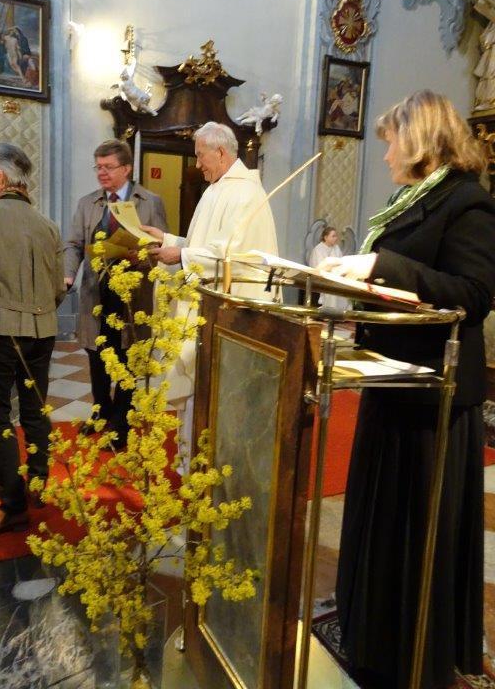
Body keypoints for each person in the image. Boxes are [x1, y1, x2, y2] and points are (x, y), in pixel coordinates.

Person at [319, 90, 495, 689]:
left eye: (392, 140)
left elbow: (473, 295)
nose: (387, 153)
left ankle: (415, 651)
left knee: (418, 532)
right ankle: (377, 638)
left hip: (432, 398)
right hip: (391, 379)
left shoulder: (468, 202)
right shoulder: (408, 201)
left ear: (419, 139)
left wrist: (379, 268)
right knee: (382, 524)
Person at [143, 121, 279, 467]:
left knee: (211, 398)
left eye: (200, 155)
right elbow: (206, 246)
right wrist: (168, 240)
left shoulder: (245, 193)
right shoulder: (217, 188)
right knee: (196, 397)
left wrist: (181, 255)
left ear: (220, 152)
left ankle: (206, 472)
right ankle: (192, 468)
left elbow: (234, 257)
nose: (197, 163)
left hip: (227, 320)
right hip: (206, 312)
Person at [0, 143, 66, 536]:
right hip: (44, 331)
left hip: (0, 330)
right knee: (35, 411)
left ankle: (13, 508)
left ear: (1, 176)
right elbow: (58, 289)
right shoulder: (48, 225)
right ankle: (38, 484)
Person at [64, 139, 167, 446]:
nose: (102, 173)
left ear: (126, 169)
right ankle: (101, 411)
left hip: (132, 296)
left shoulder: (150, 202)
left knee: (127, 357)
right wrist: (68, 274)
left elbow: (161, 248)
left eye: (108, 167)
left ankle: (121, 421)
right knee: (97, 356)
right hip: (96, 294)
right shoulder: (88, 203)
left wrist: (142, 256)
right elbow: (73, 244)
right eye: (98, 167)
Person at [309, 225, 348, 310]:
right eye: (333, 236)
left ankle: (340, 313)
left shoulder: (336, 248)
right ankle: (329, 311)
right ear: (325, 237)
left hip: (335, 277)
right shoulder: (318, 249)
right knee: (331, 292)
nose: (336, 238)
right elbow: (320, 267)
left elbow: (341, 262)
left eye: (336, 236)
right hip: (321, 279)